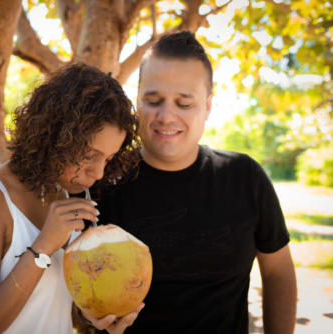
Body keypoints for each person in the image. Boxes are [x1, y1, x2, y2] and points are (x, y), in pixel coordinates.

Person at [88, 31, 297, 333]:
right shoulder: (102, 180)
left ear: (208, 106)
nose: (166, 116)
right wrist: (86, 318)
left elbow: (278, 271)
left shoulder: (244, 177)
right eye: (153, 100)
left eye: (184, 103)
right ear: (137, 101)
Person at [0, 63, 143, 334]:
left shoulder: (62, 195)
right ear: (55, 135)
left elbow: (50, 305)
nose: (99, 173)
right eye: (90, 155)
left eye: (108, 159)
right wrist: (43, 247)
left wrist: (92, 317)